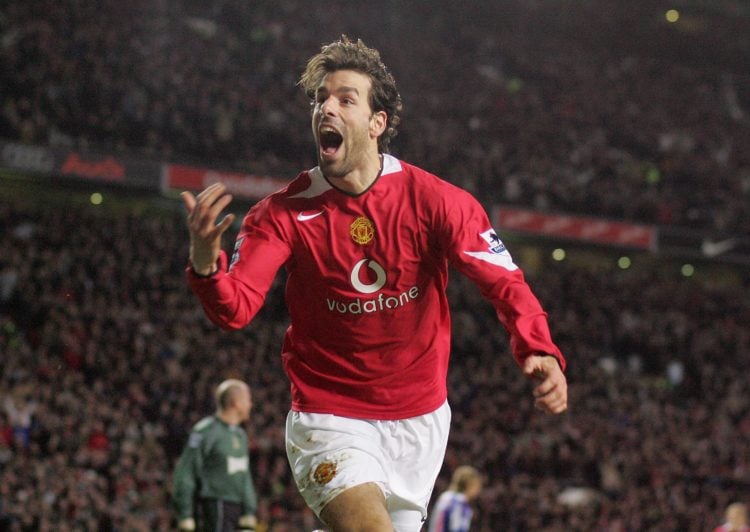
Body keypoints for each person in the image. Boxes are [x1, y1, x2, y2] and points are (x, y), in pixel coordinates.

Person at [181, 36, 567, 532]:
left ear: (377, 123)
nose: (328, 108)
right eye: (321, 98)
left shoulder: (437, 202)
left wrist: (539, 348)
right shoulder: (280, 214)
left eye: (346, 99)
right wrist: (203, 262)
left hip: (421, 421)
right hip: (330, 416)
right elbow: (233, 309)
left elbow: (503, 280)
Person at [172, 379, 258, 531]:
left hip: (236, 508)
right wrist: (185, 513)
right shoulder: (206, 431)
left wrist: (249, 509)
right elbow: (186, 471)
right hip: (213, 505)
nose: (250, 404)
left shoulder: (240, 435)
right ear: (235, 403)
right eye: (247, 399)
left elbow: (244, 474)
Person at [427, 466, 483, 532]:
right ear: (470, 484)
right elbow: (457, 528)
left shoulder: (445, 496)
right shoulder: (460, 502)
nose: (479, 490)